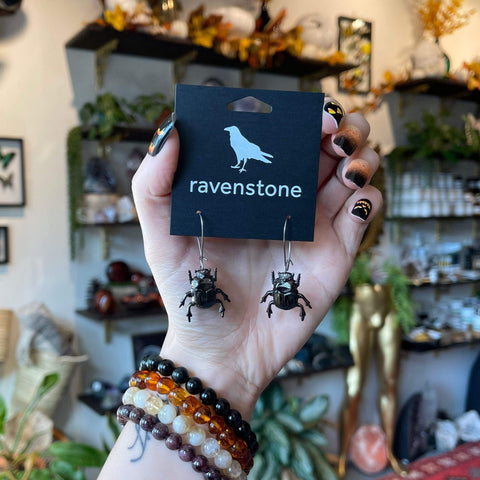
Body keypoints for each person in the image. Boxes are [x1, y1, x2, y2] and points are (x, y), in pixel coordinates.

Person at [98, 97, 382, 480]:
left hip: (254, 307)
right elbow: (216, 298)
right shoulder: (215, 277)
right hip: (231, 316)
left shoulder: (258, 279)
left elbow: (253, 296)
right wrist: (209, 359)